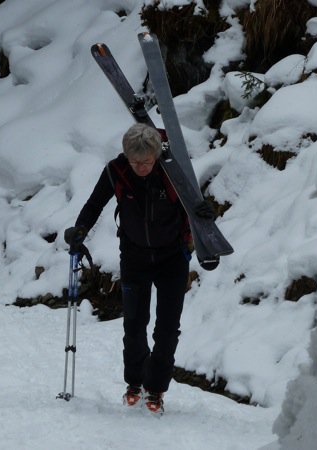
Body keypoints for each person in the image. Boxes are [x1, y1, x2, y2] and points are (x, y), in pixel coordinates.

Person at [64, 123, 215, 414]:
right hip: (134, 257)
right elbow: (95, 204)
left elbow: (196, 206)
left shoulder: (173, 172)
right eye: (136, 162)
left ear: (156, 156)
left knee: (167, 329)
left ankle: (155, 389)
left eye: (146, 161)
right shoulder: (116, 171)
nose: (141, 167)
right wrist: (80, 229)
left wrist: (205, 212)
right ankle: (134, 383)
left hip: (173, 258)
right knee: (134, 324)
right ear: (126, 156)